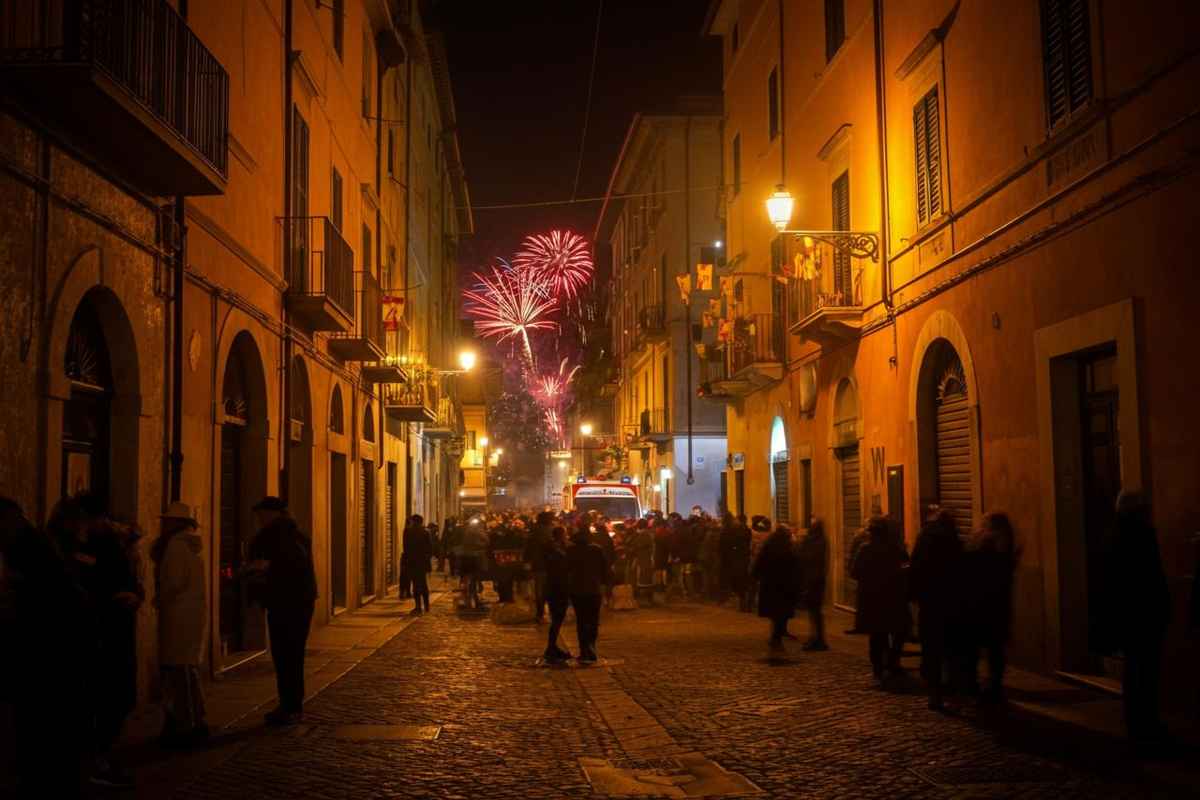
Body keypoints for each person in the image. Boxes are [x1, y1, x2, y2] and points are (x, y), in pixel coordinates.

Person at [56, 492, 144, 789]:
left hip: (114, 630)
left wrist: (135, 596)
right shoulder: (70, 545)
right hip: (96, 633)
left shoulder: (114, 545)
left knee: (119, 696)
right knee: (102, 697)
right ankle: (94, 760)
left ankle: (99, 757)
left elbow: (129, 581)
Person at [3, 496, 88, 796]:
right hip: (53, 650)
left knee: (42, 722)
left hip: (46, 652)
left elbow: (47, 599)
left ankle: (47, 779)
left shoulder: (30, 548)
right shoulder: (36, 544)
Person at [1099, 492, 1171, 747]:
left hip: (1130, 617)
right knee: (1145, 673)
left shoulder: (1113, 536)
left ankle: (1137, 725)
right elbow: (1152, 578)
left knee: (1135, 672)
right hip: (1144, 616)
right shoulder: (1141, 536)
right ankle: (1146, 726)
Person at [247, 496, 318, 726]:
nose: (258, 518)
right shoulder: (297, 534)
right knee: (292, 655)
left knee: (286, 655)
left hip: (287, 603)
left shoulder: (278, 536)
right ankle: (291, 705)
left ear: (271, 514)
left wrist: (263, 570)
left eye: (261, 514)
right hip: (299, 602)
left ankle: (290, 707)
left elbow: (289, 567)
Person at [151, 502, 209, 747]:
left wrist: (158, 599)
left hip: (178, 615)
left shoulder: (175, 547)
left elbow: (173, 582)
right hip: (190, 614)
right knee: (187, 668)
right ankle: (195, 720)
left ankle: (185, 724)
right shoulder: (191, 547)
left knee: (179, 670)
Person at [909, 509, 963, 710]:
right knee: (949, 647)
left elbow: (916, 565)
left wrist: (914, 593)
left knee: (931, 647)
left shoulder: (925, 537)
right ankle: (950, 689)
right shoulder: (953, 539)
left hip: (929, 599)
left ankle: (934, 694)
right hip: (949, 599)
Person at [852, 517, 909, 686]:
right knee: (898, 631)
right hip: (893, 596)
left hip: (872, 597)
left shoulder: (865, 549)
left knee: (877, 635)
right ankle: (892, 662)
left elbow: (854, 572)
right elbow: (907, 566)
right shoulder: (896, 549)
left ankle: (878, 669)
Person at [566, 523, 613, 662]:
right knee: (593, 620)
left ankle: (584, 649)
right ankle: (591, 647)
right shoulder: (597, 550)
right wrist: (605, 586)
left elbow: (566, 569)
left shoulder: (571, 550)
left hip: (577, 589)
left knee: (581, 620)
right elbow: (605, 570)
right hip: (594, 589)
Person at [752, 523, 800, 653]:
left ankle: (776, 637)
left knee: (776, 613)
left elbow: (759, 562)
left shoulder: (769, 545)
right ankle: (776, 638)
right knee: (781, 612)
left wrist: (755, 576)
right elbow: (795, 565)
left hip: (770, 584)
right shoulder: (788, 548)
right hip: (784, 585)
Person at [798, 519, 830, 651]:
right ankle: (815, 637)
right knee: (813, 611)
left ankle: (818, 639)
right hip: (815, 578)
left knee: (814, 610)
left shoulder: (816, 542)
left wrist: (803, 543)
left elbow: (806, 557)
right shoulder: (819, 540)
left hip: (814, 579)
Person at [542, 526, 572, 663]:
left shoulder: (551, 548)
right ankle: (551, 648)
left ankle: (552, 646)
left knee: (557, 619)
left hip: (553, 586)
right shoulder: (557, 551)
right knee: (557, 618)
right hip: (558, 587)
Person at [525, 511, 554, 623]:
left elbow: (528, 547)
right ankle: (545, 612)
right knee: (546, 588)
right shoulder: (549, 531)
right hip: (548, 564)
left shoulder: (534, 531)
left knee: (539, 589)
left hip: (538, 564)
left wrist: (527, 561)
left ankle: (540, 613)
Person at [403, 514, 433, 614]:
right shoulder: (426, 532)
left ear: (413, 521)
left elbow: (406, 548)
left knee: (416, 584)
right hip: (423, 562)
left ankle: (418, 606)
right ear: (421, 522)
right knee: (423, 584)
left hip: (412, 562)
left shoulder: (407, 532)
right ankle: (427, 606)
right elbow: (429, 548)